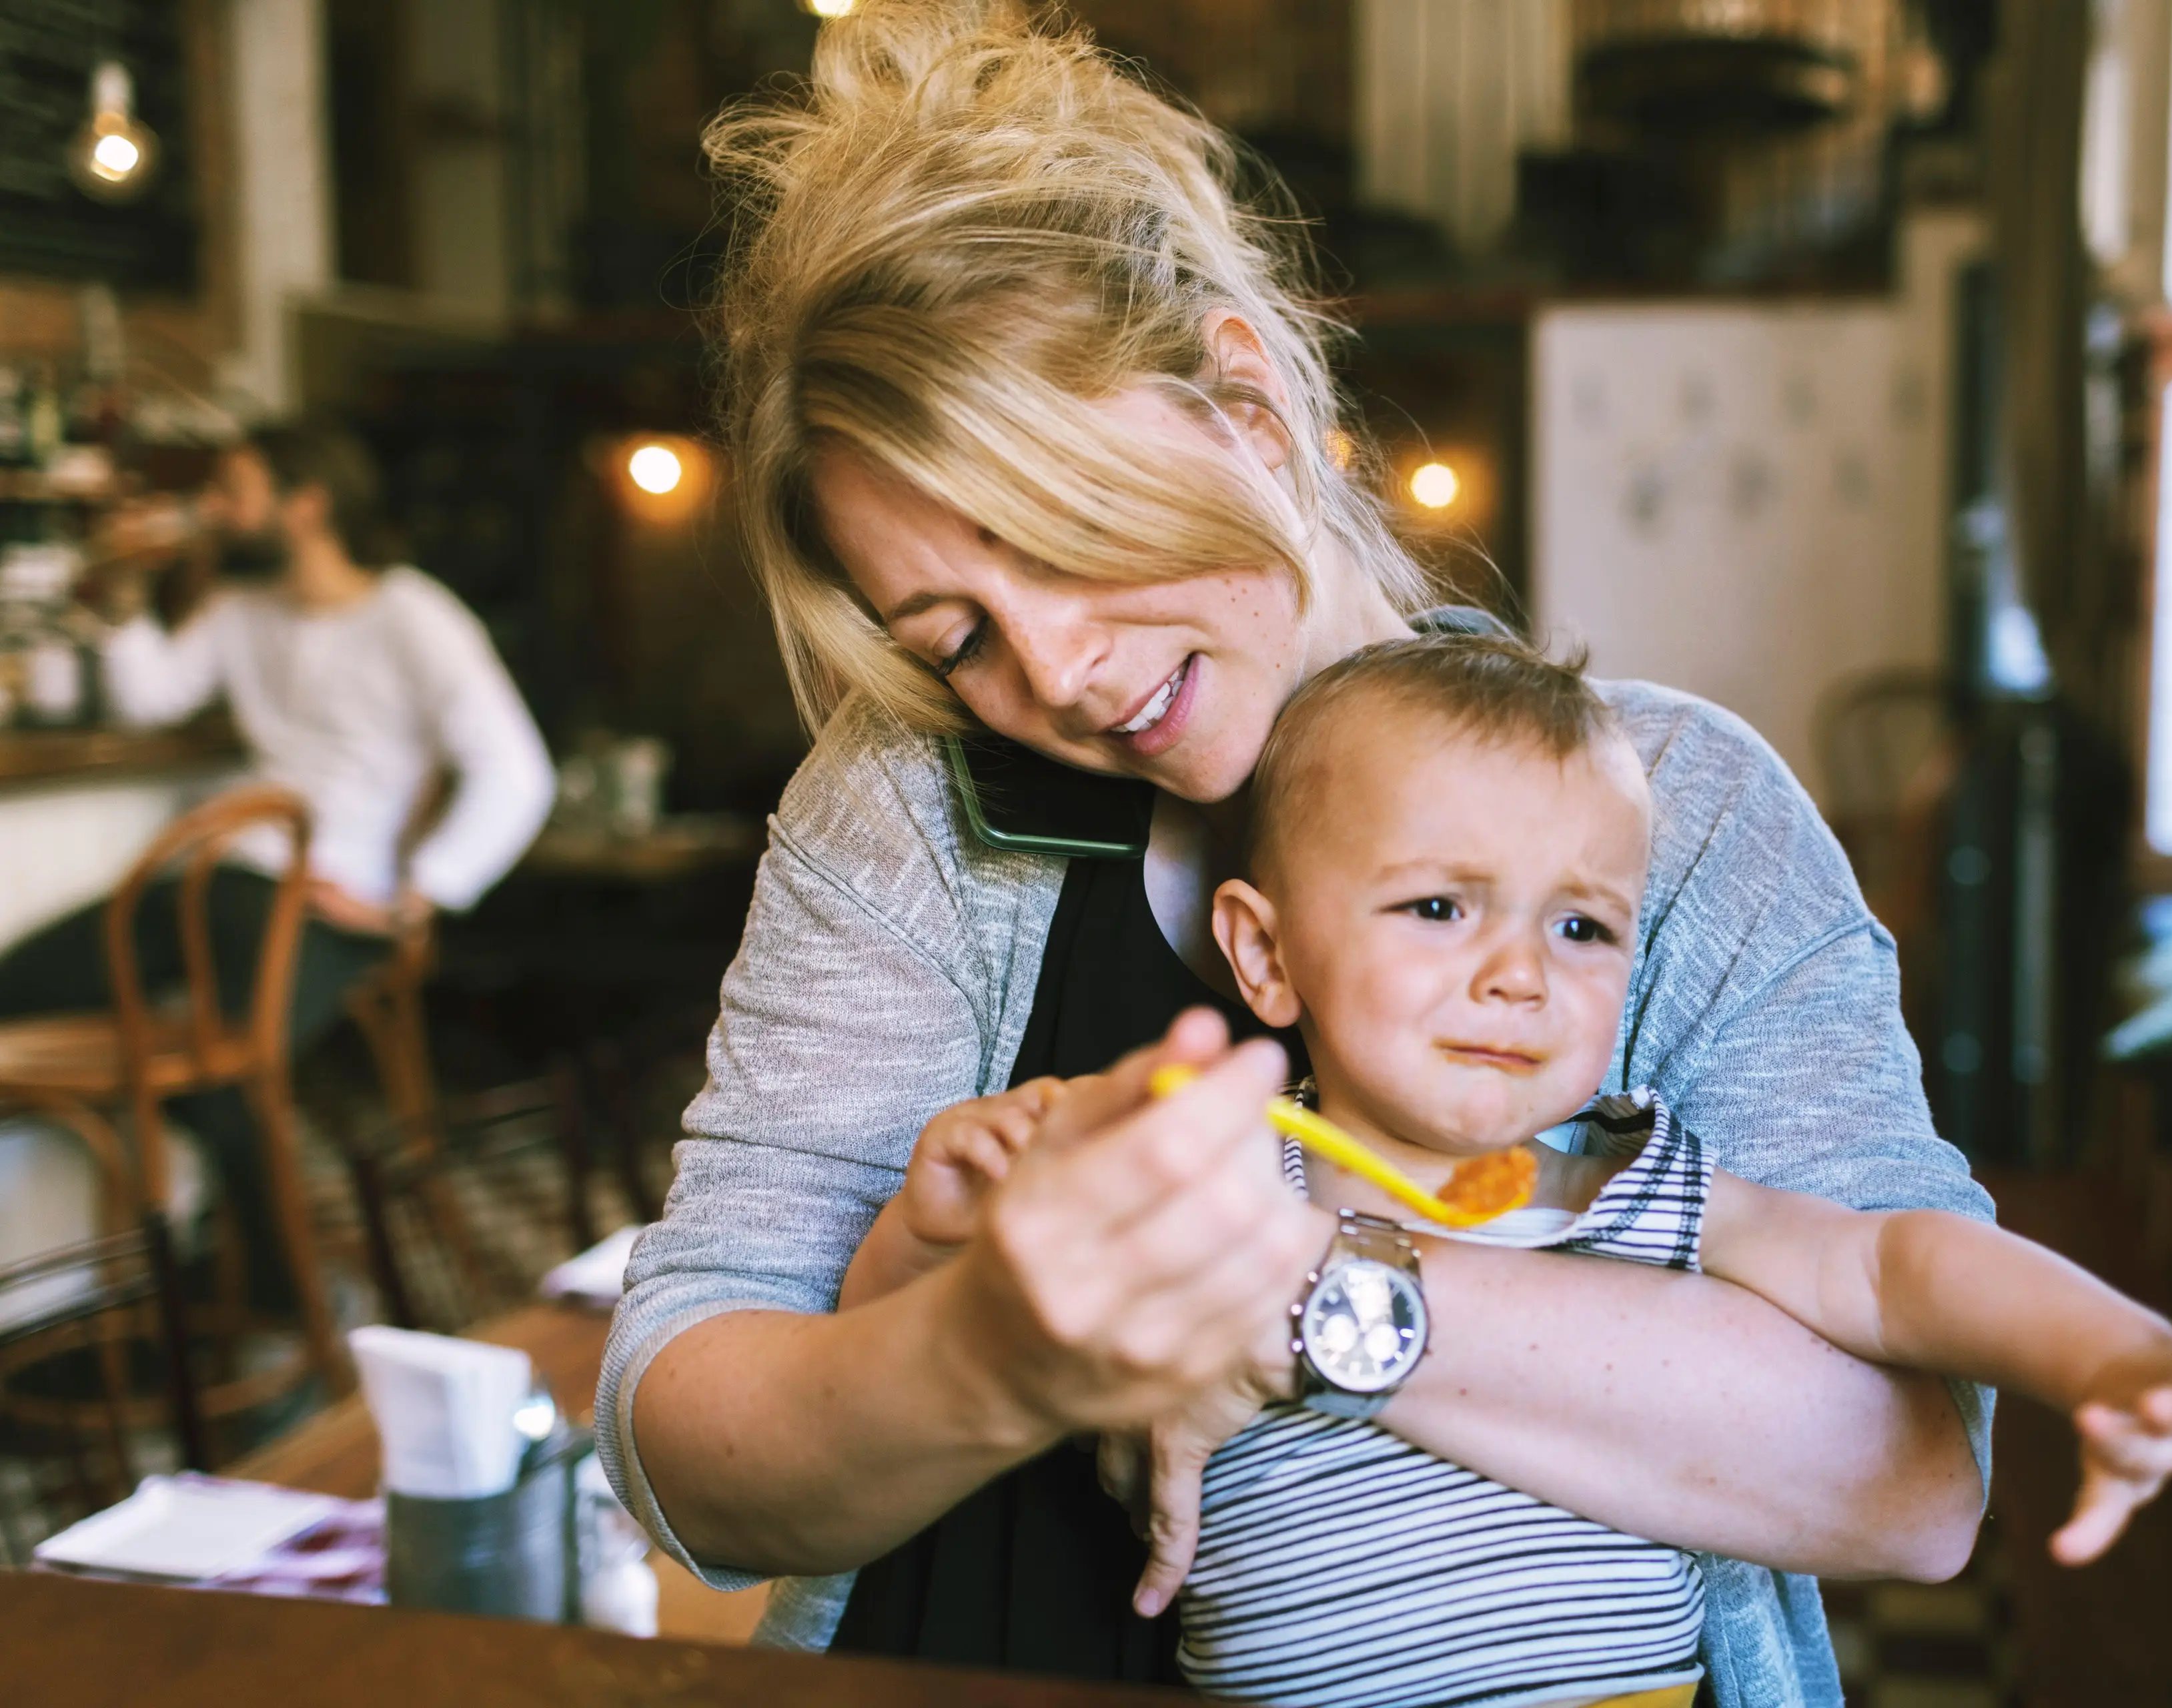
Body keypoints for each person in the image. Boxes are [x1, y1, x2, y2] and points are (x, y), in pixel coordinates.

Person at [600, 5, 1994, 1701]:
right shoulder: (903, 805)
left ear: (1249, 401)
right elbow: (685, 1457)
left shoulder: (1681, 813)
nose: (1053, 675)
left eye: (1074, 536)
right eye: (956, 626)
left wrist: (1292, 1300)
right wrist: (985, 1354)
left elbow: (1911, 1475)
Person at [841, 636, 2172, 1708]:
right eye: (1437, 905)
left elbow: (1890, 1262)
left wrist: (2116, 1357)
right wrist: (931, 1222)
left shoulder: (1627, 1179)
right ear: (1266, 952)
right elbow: (902, 1359)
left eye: (1584, 928)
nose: (1520, 973)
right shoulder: (1212, 1158)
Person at [0, 421, 554, 1302]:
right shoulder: (241, 610)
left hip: (335, 903)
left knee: (226, 1075)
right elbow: (149, 701)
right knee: (19, 992)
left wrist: (419, 899)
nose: (212, 511)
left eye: (233, 492)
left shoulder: (410, 612)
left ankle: (276, 1310)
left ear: (306, 506)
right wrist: (130, 591)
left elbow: (517, 772)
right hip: (214, 884)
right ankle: (201, 1271)